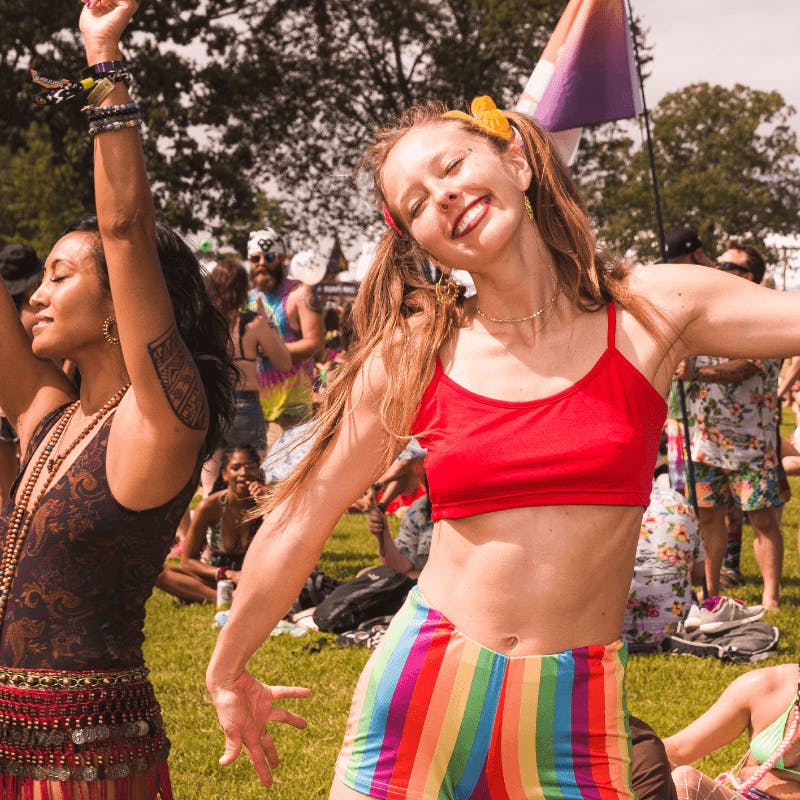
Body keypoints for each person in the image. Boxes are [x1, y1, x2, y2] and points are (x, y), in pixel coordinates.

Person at [205, 96, 800, 798]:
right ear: (421, 242)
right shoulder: (416, 353)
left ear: (516, 162)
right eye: (418, 201)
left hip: (576, 714)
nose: (444, 195)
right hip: (424, 689)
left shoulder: (653, 309)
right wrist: (228, 667)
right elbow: (305, 514)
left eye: (453, 165)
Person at [0, 1, 237, 796]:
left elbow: (127, 226)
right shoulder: (51, 418)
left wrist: (102, 60)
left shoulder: (160, 423)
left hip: (88, 765)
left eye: (61, 277)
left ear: (120, 310)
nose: (36, 295)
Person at [675, 242, 784, 609]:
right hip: (705, 439)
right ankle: (711, 591)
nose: (717, 268)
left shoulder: (766, 315)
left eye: (727, 265)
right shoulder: (710, 313)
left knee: (762, 519)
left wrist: (698, 372)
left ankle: (770, 598)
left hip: (751, 442)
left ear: (748, 276)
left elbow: (749, 365)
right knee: (709, 517)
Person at [200, 257, 292, 494]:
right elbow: (284, 362)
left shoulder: (205, 322)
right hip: (247, 404)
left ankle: (211, 518)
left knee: (211, 467)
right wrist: (268, 322)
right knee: (255, 471)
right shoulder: (254, 323)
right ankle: (251, 524)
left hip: (214, 401)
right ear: (243, 288)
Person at [665, 662, 800, 800]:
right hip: (748, 796)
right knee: (677, 774)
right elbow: (679, 749)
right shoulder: (768, 686)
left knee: (686, 780)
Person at [245, 228, 325, 448]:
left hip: (292, 410)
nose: (262, 263)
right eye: (255, 258)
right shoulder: (250, 298)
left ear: (281, 258)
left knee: (281, 477)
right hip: (256, 408)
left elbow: (315, 343)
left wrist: (272, 349)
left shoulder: (300, 294)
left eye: (269, 257)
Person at [158, 445, 264, 604]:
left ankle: (213, 596)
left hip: (259, 576)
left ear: (259, 473)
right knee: (158, 572)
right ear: (225, 474)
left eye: (251, 467)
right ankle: (224, 598)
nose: (243, 473)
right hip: (218, 577)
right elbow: (187, 562)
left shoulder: (269, 503)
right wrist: (228, 574)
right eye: (236, 467)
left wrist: (268, 506)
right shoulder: (210, 507)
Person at [623, 479, 705, 651]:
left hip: (613, 632)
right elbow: (699, 574)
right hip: (675, 631)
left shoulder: (604, 503)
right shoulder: (679, 501)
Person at [0, 244, 42, 508]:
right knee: (30, 487)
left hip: (4, 408)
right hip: (31, 405)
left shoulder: (8, 319)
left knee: (6, 495)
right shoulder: (35, 318)